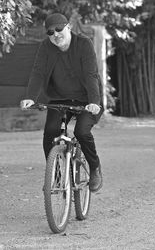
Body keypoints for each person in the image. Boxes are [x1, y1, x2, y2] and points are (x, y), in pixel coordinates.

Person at [20, 13, 103, 192]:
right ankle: (56, 176)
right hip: (60, 98)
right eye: (50, 32)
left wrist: (94, 102)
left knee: (81, 131)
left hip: (87, 98)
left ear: (68, 27)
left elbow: (91, 75)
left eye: (59, 29)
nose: (56, 34)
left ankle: (95, 168)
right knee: (50, 131)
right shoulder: (45, 47)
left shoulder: (83, 44)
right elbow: (38, 72)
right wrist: (30, 97)